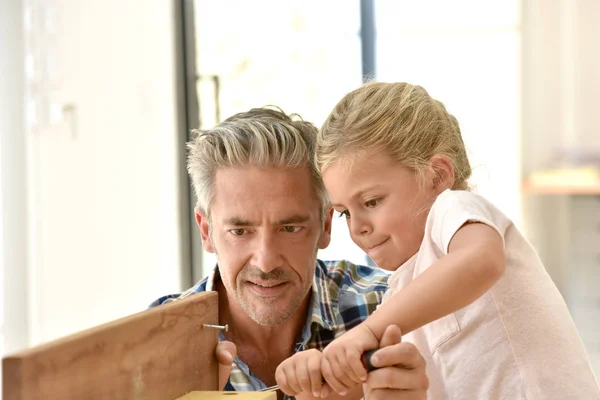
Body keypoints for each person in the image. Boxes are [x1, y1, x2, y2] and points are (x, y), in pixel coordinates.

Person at [275, 81, 600, 399]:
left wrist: (369, 330)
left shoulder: (456, 209)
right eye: (345, 212)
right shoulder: (401, 298)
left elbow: (481, 261)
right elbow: (379, 382)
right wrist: (326, 380)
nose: (357, 227)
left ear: (438, 176)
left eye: (371, 202)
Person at [150, 107, 429, 399]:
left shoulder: (393, 308)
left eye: (290, 228)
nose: (266, 261)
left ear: (325, 225)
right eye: (240, 231)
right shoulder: (157, 340)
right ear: (206, 231)